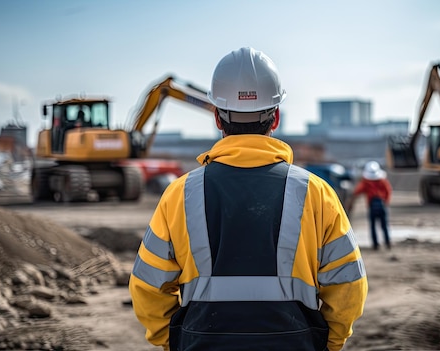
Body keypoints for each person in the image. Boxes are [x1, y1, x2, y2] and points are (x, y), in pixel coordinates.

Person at [129, 47, 368, 351]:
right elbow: (349, 288)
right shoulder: (317, 194)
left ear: (217, 117)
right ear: (276, 116)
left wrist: (173, 342)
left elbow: (147, 288)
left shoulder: (179, 194)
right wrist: (327, 344)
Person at [345, 161, 392, 251]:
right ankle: (387, 243)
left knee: (373, 226)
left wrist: (350, 203)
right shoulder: (382, 181)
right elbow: (388, 191)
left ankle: (375, 245)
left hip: (372, 205)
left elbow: (356, 192)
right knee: (384, 225)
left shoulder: (366, 182)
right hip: (382, 204)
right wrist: (386, 202)